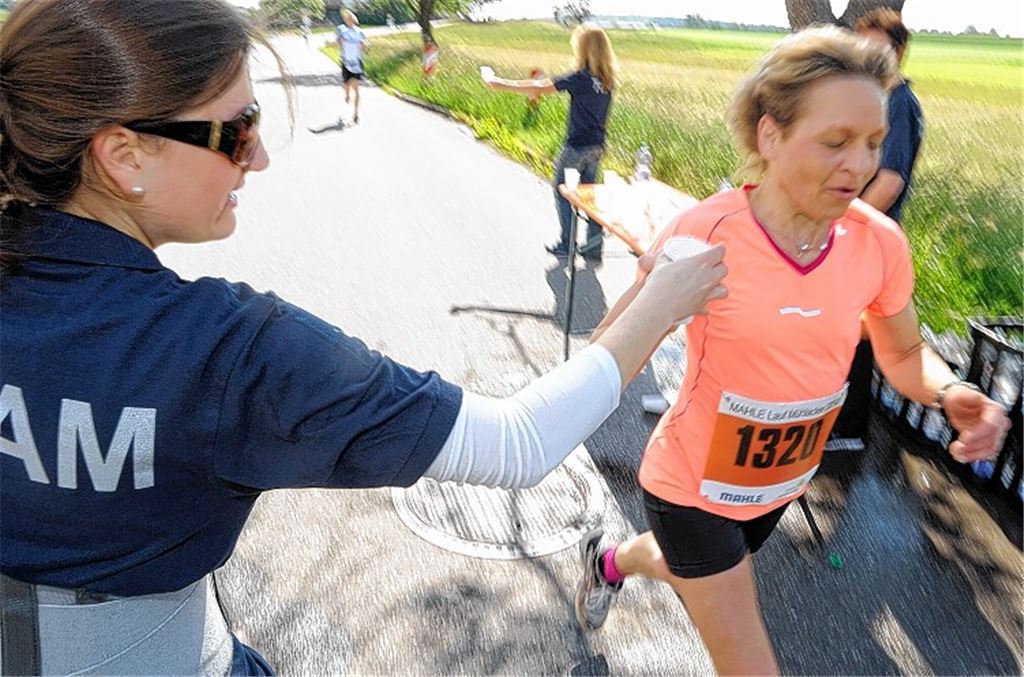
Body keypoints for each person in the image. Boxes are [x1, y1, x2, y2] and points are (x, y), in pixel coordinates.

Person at [0, 1, 727, 673]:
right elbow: (518, 443)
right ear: (124, 156)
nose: (258, 158)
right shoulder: (229, 349)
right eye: (237, 130)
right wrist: (660, 302)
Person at [572, 26, 1009, 676]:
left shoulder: (878, 244)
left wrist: (949, 392)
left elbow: (904, 353)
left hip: (776, 481)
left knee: (686, 567)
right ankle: (617, 559)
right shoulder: (707, 232)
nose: (859, 165)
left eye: (872, 143)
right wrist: (543, 422)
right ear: (770, 135)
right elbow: (615, 343)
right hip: (690, 484)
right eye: (835, 141)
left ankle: (609, 560)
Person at [828, 7, 927, 451]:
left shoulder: (899, 102)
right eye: (860, 46)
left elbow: (889, 181)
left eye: (876, 47)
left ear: (899, 52)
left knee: (861, 329)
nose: (866, 55)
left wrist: (843, 222)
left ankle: (847, 430)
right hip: (861, 229)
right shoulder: (879, 98)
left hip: (870, 234)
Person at [483, 23, 617, 262]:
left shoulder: (580, 78)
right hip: (597, 145)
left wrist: (498, 83)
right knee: (590, 195)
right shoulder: (607, 80)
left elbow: (539, 87)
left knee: (562, 189)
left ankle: (567, 244)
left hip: (576, 145)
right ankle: (594, 247)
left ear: (584, 49)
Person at [336, 9, 368, 123]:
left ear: (354, 20)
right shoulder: (342, 30)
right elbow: (338, 42)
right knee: (346, 84)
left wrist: (365, 45)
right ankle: (347, 94)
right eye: (347, 18)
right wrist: (339, 40)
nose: (349, 20)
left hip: (356, 63)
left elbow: (366, 47)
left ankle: (356, 114)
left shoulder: (360, 32)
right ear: (345, 20)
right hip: (345, 62)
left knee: (357, 89)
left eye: (351, 18)